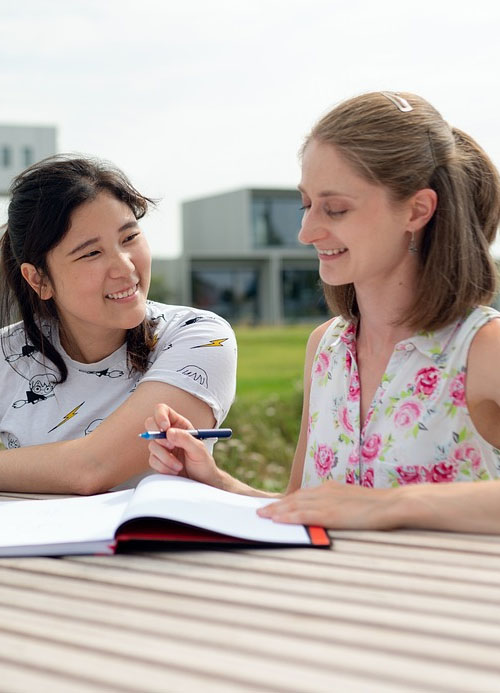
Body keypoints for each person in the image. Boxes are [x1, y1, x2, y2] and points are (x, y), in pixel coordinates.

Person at [144, 90, 500, 534]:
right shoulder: (326, 347)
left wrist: (392, 505)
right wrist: (212, 479)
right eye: (306, 204)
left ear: (417, 209)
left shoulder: (484, 348)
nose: (306, 232)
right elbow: (302, 506)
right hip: (324, 600)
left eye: (335, 208)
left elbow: (365, 508)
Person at [0, 155, 237, 494]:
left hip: (157, 544)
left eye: (129, 238)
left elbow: (93, 467)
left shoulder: (200, 337)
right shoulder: (7, 355)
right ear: (39, 279)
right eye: (91, 253)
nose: (124, 267)